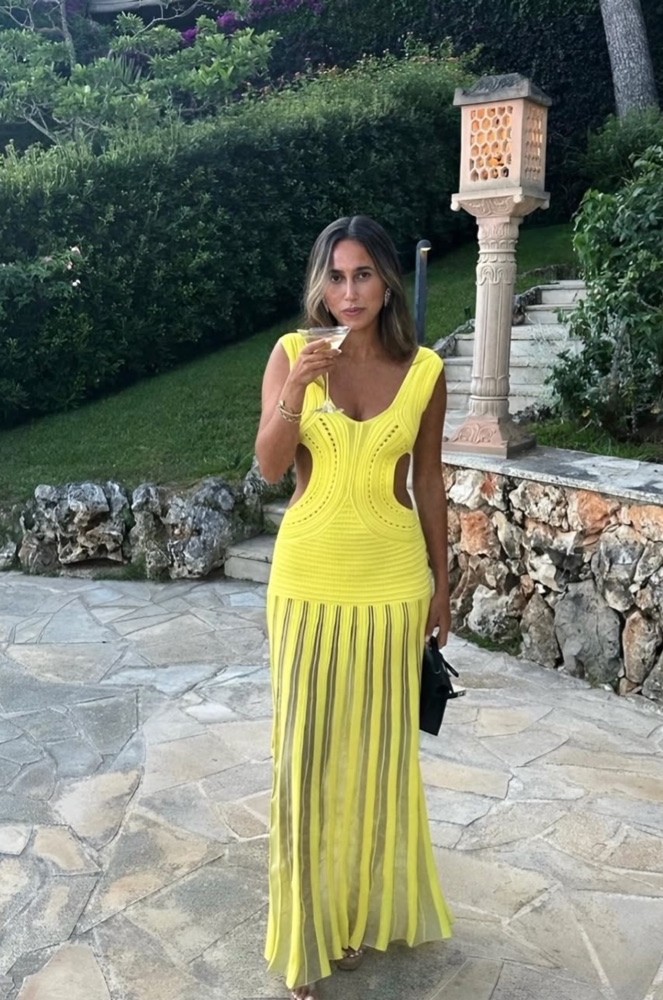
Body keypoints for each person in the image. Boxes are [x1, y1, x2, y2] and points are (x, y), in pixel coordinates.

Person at [255, 215, 453, 1000]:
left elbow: (427, 481)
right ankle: (303, 935)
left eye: (363, 274)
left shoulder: (424, 369)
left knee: (375, 758)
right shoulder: (289, 355)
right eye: (335, 276)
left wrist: (443, 585)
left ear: (387, 282)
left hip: (393, 586)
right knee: (304, 760)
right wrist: (295, 388)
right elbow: (271, 468)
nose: (349, 292)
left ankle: (353, 916)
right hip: (308, 583)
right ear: (320, 285)